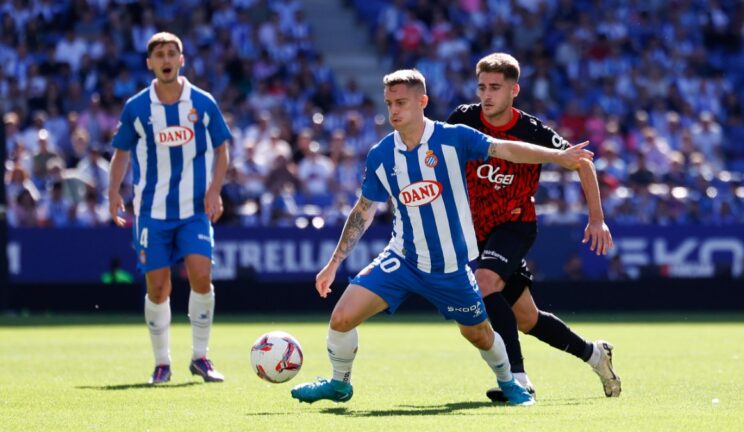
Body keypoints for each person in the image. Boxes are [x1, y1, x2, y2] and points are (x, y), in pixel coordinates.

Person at [290, 69, 593, 406]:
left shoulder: (453, 138)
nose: (393, 111)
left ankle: (509, 382)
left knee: (478, 334)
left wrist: (558, 156)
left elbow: (506, 150)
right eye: (389, 103)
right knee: (341, 317)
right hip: (402, 259)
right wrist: (333, 264)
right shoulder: (381, 154)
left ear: (422, 102)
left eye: (402, 103)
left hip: (449, 267)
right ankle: (339, 383)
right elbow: (364, 209)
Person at [446, 53, 621, 400]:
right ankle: (594, 354)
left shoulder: (532, 130)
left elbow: (582, 163)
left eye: (495, 88)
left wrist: (597, 218)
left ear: (514, 90)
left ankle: (516, 379)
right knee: (526, 319)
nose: (486, 95)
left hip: (515, 226)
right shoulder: (463, 119)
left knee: (484, 283)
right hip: (475, 231)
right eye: (482, 87)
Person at [108, 32, 231, 385]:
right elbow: (121, 153)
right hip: (151, 212)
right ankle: (162, 363)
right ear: (150, 63)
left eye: (171, 53)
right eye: (159, 54)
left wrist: (214, 190)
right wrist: (112, 192)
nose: (165, 59)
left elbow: (223, 148)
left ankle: (201, 357)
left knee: (201, 276)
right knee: (158, 289)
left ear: (182, 59)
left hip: (193, 210)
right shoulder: (137, 107)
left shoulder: (203, 103)